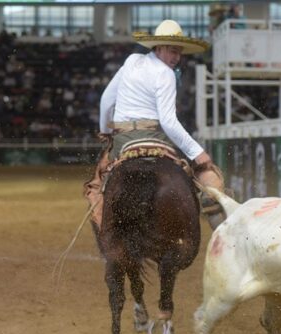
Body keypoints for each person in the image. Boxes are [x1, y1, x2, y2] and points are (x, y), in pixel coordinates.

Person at [84, 19, 226, 231]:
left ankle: (104, 228)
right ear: (158, 48)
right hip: (155, 136)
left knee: (98, 184)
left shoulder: (131, 60)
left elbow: (106, 100)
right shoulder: (166, 73)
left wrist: (105, 131)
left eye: (178, 52)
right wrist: (197, 152)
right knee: (201, 173)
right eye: (172, 51)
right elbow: (168, 121)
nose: (176, 57)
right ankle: (217, 219)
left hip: (122, 138)